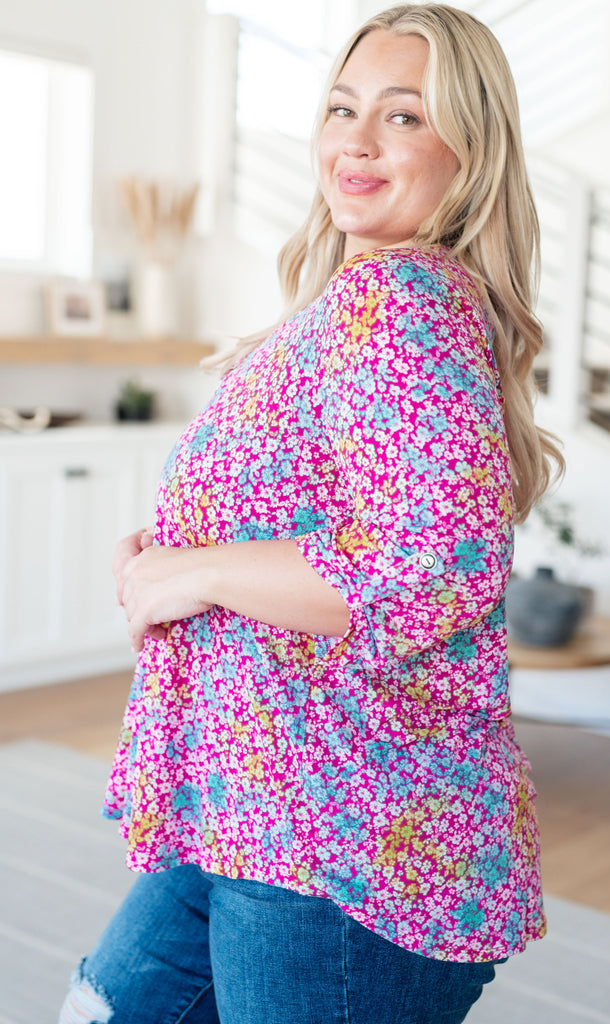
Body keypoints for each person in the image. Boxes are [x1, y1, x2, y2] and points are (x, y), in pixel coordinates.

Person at [59, 4, 562, 1023]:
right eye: (341, 108)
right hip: (250, 795)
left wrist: (194, 572)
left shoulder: (402, 300)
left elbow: (435, 563)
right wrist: (172, 557)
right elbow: (316, 524)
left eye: (403, 116)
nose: (357, 140)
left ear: (470, 152)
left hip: (339, 836)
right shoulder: (348, 303)